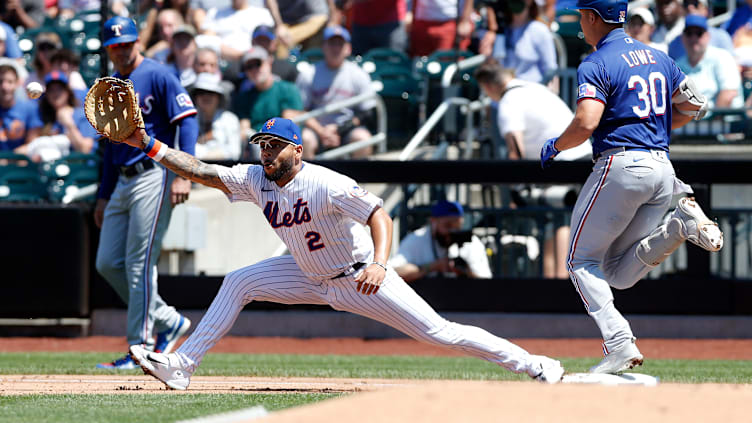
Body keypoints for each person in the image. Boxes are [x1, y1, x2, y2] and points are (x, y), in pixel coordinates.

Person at [120, 117, 565, 389]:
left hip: (356, 277)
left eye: (274, 145)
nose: (266, 152)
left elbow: (379, 215)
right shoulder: (256, 179)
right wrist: (147, 143)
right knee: (240, 280)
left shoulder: (326, 182)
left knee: (440, 333)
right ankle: (182, 365)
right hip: (306, 273)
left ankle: (532, 363)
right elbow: (200, 170)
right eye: (262, 145)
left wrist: (379, 263)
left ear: (297, 149)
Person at [539, 0, 724, 374]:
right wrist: (652, 129)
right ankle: (678, 227)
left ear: (592, 17)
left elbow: (586, 121)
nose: (580, 23)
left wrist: (556, 145)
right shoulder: (658, 56)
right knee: (618, 275)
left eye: (581, 16)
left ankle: (620, 342)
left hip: (622, 165)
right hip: (661, 168)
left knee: (578, 262)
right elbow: (695, 106)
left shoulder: (596, 61)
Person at [94, 16, 195, 369]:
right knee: (107, 262)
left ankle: (140, 347)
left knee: (140, 264)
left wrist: (185, 172)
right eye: (115, 46)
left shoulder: (158, 73)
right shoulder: (110, 85)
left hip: (155, 173)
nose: (122, 50)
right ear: (108, 50)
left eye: (127, 43)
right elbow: (109, 147)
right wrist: (103, 195)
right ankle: (168, 320)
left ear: (138, 42)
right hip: (121, 178)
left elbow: (187, 119)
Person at [474, 59, 590, 279]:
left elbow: (514, 151)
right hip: (582, 157)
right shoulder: (535, 88)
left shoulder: (509, 101)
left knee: (556, 222)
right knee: (564, 221)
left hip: (563, 164)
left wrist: (516, 191)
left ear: (488, 87)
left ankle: (557, 285)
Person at [296, 26, 377, 159]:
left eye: (340, 44)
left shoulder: (358, 74)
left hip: (347, 128)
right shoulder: (309, 74)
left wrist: (339, 129)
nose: (336, 48)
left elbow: (367, 112)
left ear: (348, 48)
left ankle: (360, 179)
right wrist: (322, 132)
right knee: (305, 139)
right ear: (323, 47)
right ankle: (306, 179)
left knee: (363, 138)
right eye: (331, 44)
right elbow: (301, 110)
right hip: (317, 129)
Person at [389, 200, 493, 283]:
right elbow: (392, 274)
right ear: (433, 221)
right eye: (448, 226)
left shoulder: (471, 242)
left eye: (457, 227)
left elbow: (486, 283)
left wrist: (466, 272)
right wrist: (432, 267)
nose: (452, 232)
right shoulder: (416, 239)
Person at [232, 46, 302, 160]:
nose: (254, 69)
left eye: (258, 64)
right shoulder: (244, 97)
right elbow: (244, 128)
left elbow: (289, 126)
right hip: (256, 145)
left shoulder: (287, 89)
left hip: (282, 144)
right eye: (249, 66)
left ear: (269, 62)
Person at [19, 71, 96, 162]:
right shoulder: (43, 117)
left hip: (78, 170)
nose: (55, 93)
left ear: (68, 92)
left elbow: (84, 150)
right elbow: (33, 146)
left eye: (60, 89)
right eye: (51, 90)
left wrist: (69, 124)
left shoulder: (82, 115)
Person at [676, 14, 743, 111]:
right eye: (689, 33)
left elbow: (729, 94)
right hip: (692, 123)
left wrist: (713, 122)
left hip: (726, 122)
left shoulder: (722, 57)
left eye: (699, 33)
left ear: (707, 36)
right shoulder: (677, 66)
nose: (694, 38)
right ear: (682, 37)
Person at [497, 0, 557, 84]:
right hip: (504, 91)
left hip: (530, 90)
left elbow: (550, 69)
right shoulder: (499, 29)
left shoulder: (539, 30)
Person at [200, 0, 274, 61]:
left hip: (255, 62)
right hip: (224, 62)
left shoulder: (262, 14)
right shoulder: (214, 13)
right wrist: (239, 54)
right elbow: (207, 39)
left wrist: (250, 55)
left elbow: (270, 42)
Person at [191, 72, 241, 160]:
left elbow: (234, 152)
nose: (205, 96)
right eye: (201, 92)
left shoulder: (230, 119)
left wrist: (204, 156)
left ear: (219, 97)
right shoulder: (188, 119)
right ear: (195, 97)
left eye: (210, 92)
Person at [264, 0, 336, 58]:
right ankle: (288, 71)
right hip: (287, 22)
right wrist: (279, 25)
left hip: (315, 18)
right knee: (280, 40)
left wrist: (333, 19)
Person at [667, 0, 734, 61]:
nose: (690, 8)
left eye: (695, 4)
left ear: (706, 9)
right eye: (686, 4)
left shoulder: (722, 38)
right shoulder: (674, 44)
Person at [0, 59, 41, 151]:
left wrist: (11, 159)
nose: (4, 87)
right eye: (0, 82)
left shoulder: (30, 109)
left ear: (17, 83)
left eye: (10, 82)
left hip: (20, 162)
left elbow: (32, 145)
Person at [409, 0, 475, 57]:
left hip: (449, 22)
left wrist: (465, 20)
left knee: (445, 63)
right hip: (422, 22)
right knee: (421, 63)